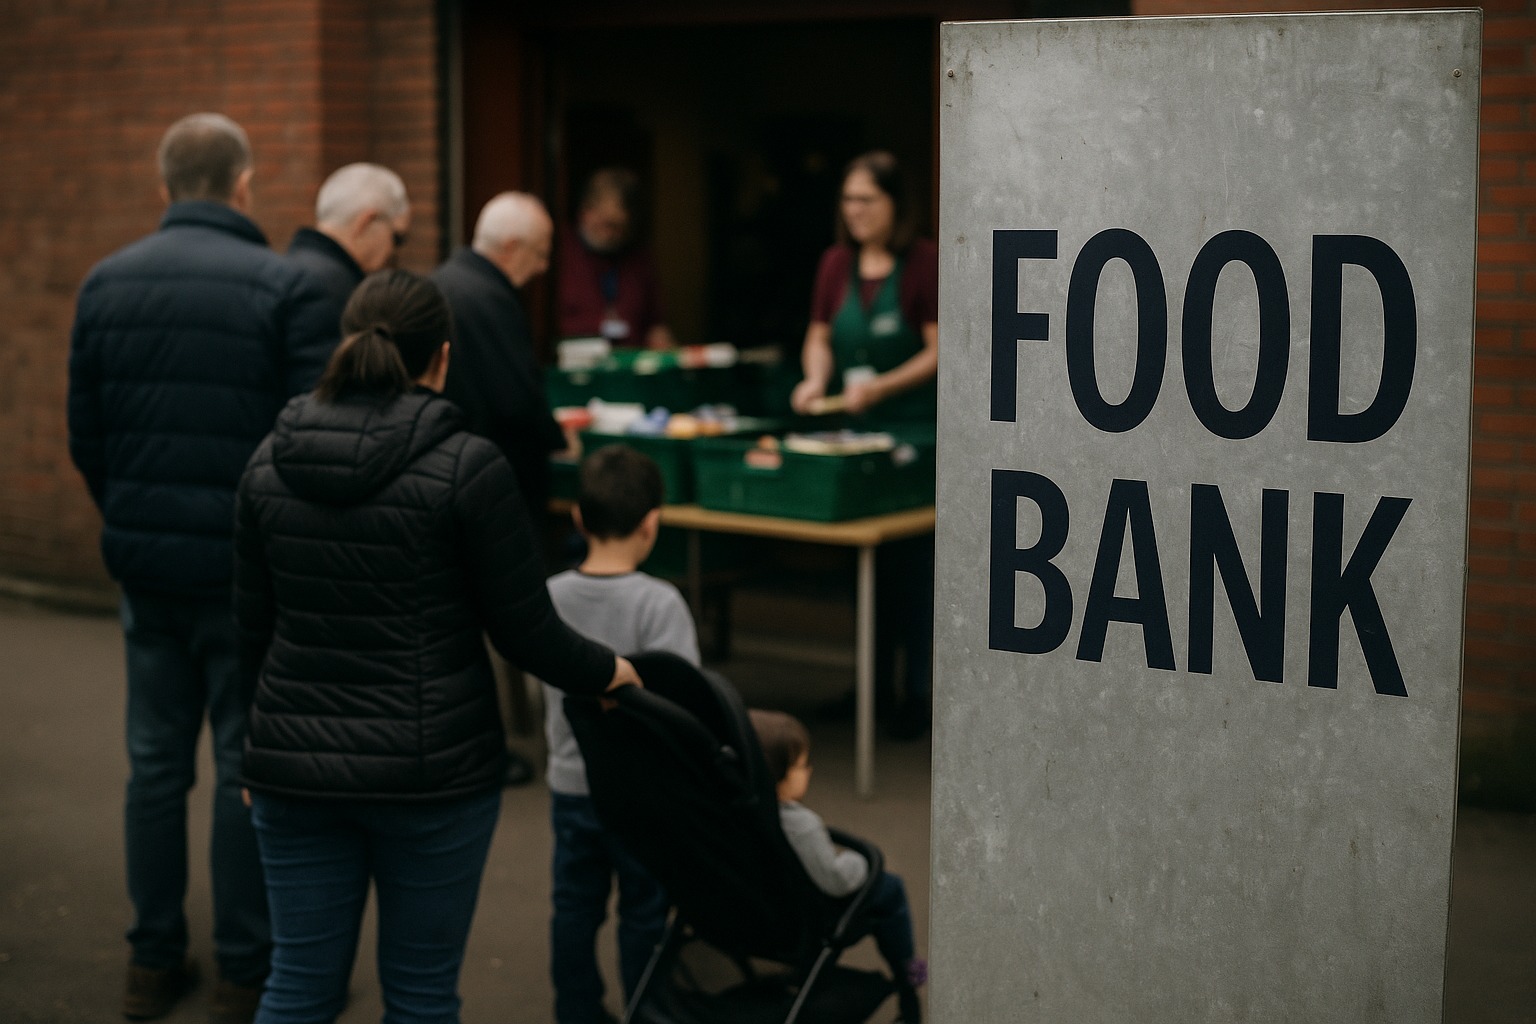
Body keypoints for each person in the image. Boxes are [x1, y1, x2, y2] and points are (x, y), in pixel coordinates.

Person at [233, 269, 642, 1024]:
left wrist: (248, 751)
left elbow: (251, 631)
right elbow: (524, 631)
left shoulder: (268, 460)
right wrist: (613, 672)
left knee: (297, 986)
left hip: (293, 769)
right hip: (435, 772)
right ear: (443, 359)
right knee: (421, 996)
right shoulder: (468, 467)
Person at [66, 112, 336, 1024]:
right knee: (239, 763)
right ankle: (241, 971)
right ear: (246, 184)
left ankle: (151, 962)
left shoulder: (105, 284)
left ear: (163, 187)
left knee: (152, 766)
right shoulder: (284, 287)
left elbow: (86, 436)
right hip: (243, 574)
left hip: (147, 567)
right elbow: (305, 437)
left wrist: (132, 514)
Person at [541, 445, 699, 1024]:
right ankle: (645, 1010)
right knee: (644, 909)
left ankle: (576, 1010)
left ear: (579, 519)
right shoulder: (662, 604)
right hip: (641, 791)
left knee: (574, 905)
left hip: (571, 784)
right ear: (652, 522)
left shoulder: (549, 596)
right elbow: (684, 705)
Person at [790, 151, 938, 739]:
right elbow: (819, 336)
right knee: (862, 571)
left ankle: (919, 693)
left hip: (914, 438)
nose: (854, 211)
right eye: (847, 200)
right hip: (854, 437)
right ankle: (871, 687)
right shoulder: (834, 264)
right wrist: (814, 379)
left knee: (914, 571)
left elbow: (940, 349)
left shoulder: (924, 262)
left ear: (895, 204)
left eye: (866, 200)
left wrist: (882, 387)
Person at [434, 191, 573, 787]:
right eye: (540, 254)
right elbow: (518, 399)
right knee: (501, 615)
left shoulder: (442, 284)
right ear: (511, 248)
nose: (542, 268)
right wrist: (560, 439)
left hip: (446, 474)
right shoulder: (491, 299)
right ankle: (490, 745)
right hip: (493, 482)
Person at [749, 709, 926, 1023]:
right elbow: (836, 880)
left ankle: (819, 974)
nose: (810, 770)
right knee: (889, 887)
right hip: (805, 919)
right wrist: (856, 861)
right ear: (776, 774)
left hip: (755, 909)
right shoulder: (799, 826)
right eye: (801, 766)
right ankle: (907, 973)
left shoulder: (736, 811)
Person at [557, 167, 675, 349]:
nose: (615, 235)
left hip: (630, 362)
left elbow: (655, 322)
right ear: (587, 211)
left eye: (622, 228)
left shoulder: (638, 257)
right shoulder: (559, 252)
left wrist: (660, 338)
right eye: (609, 225)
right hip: (576, 363)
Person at [286, 162, 410, 329]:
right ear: (366, 222)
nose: (394, 252)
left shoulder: (286, 268)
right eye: (397, 238)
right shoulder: (338, 291)